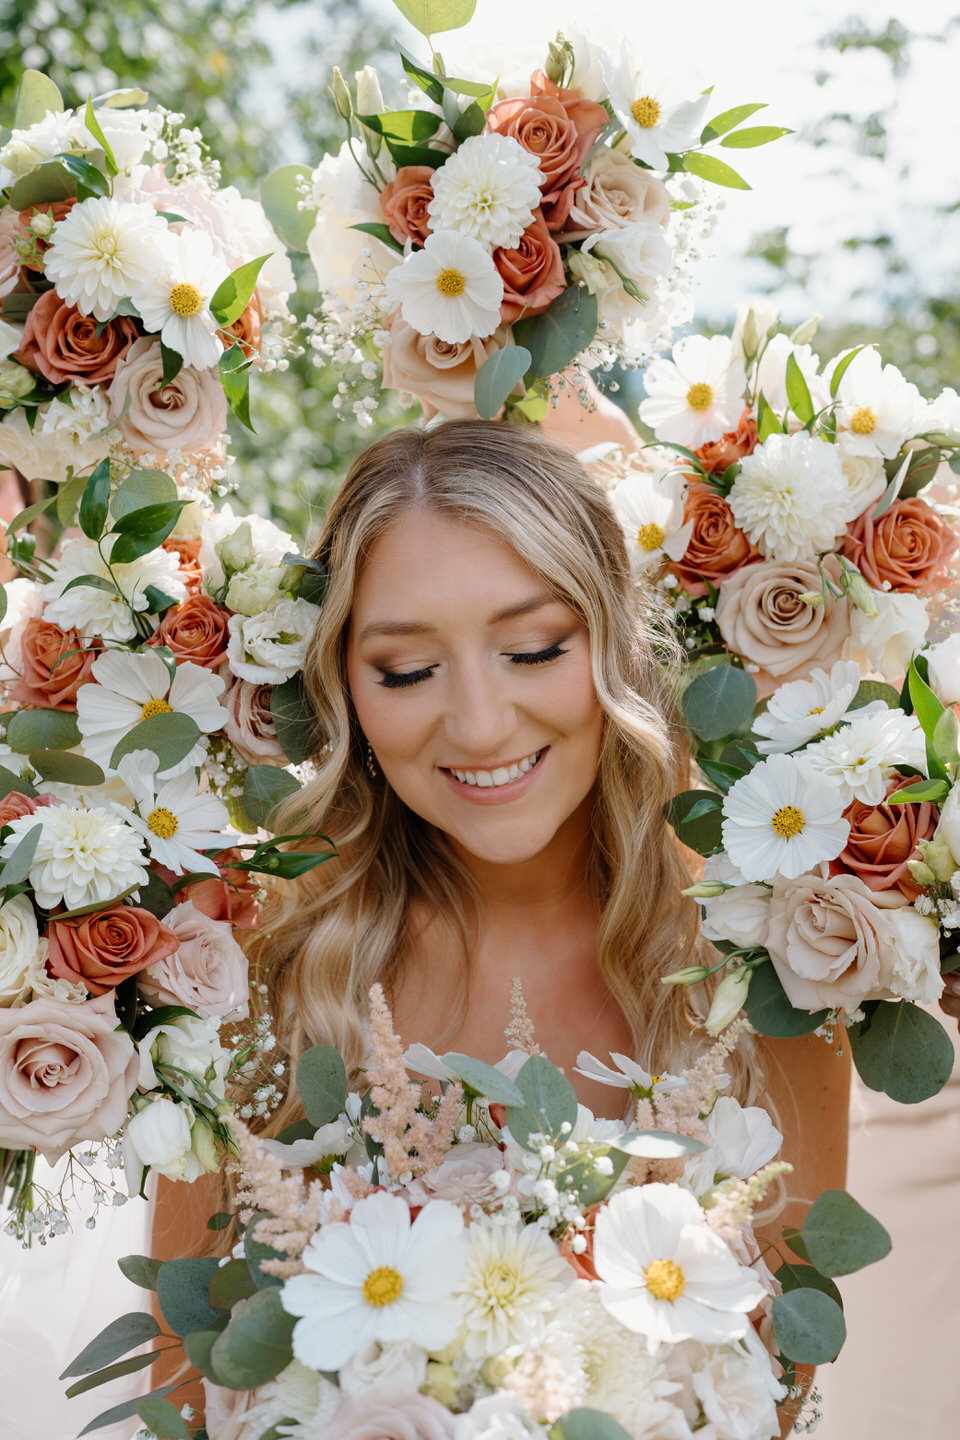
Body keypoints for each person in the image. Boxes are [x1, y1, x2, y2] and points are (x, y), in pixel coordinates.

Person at [249, 419, 849, 1239]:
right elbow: (188, 1353)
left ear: (618, 645)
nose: (482, 727)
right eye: (409, 671)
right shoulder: (268, 966)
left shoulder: (779, 964)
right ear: (345, 685)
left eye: (532, 650)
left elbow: (793, 1354)